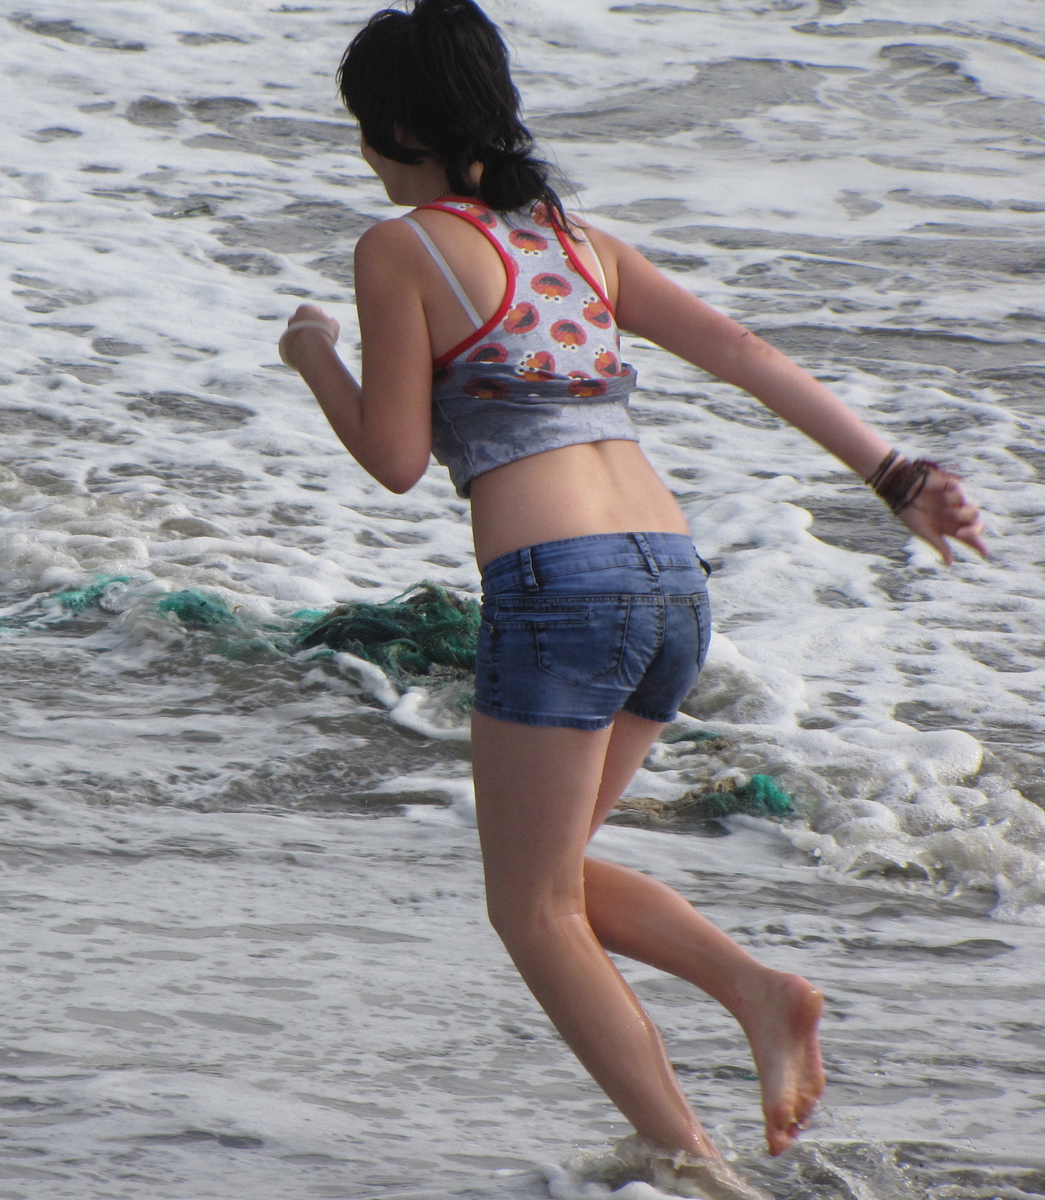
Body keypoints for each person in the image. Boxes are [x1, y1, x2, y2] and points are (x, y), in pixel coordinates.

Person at [277, 0, 989, 1193]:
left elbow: (397, 458)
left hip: (560, 589)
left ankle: (686, 1160)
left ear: (399, 127)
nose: (365, 158)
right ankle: (760, 993)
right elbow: (740, 348)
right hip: (669, 581)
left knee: (530, 913)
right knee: (552, 877)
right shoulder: (575, 241)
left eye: (365, 132)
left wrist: (315, 361)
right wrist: (896, 475)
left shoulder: (399, 248)